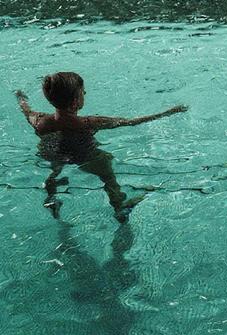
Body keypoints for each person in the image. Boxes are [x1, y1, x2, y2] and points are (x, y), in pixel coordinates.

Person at [15, 72, 187, 223]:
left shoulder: (39, 121)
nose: (85, 94)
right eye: (83, 92)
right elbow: (130, 122)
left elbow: (25, 110)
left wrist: (20, 97)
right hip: (84, 155)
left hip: (53, 154)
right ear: (75, 102)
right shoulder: (87, 123)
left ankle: (52, 198)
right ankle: (119, 206)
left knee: (54, 172)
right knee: (107, 171)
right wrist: (169, 112)